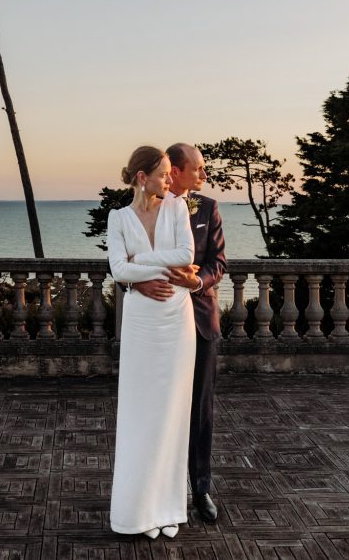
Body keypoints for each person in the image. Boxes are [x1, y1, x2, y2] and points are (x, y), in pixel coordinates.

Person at [107, 146, 200, 540]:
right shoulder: (118, 218)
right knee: (139, 412)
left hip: (176, 318)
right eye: (162, 174)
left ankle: (167, 508)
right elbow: (117, 268)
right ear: (142, 177)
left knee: (173, 414)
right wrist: (141, 276)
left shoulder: (178, 208)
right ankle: (137, 511)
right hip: (141, 321)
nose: (169, 180)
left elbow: (187, 253)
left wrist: (138, 268)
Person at [132, 142, 226, 524]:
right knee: (157, 408)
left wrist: (197, 281)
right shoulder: (147, 207)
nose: (204, 175)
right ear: (178, 170)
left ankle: (200, 488)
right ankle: (154, 492)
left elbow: (218, 262)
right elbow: (127, 260)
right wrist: (135, 286)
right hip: (155, 322)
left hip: (199, 320)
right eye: (199, 168)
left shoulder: (207, 209)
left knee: (199, 409)